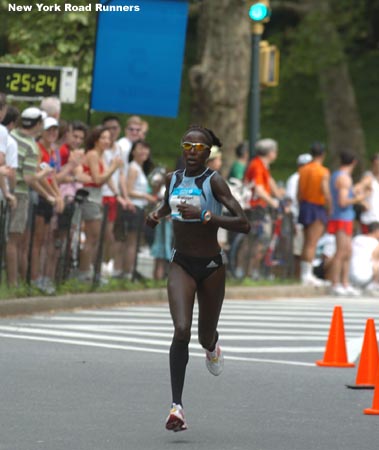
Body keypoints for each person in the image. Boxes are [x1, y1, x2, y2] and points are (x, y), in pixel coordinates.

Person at [146, 125, 250, 432]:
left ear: (208, 153)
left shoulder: (214, 181)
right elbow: (167, 205)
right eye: (187, 146)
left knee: (204, 335)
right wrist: (155, 215)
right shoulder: (173, 179)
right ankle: (176, 407)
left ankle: (213, 346)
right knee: (181, 330)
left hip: (212, 267)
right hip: (181, 263)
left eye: (198, 148)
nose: (191, 153)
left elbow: (243, 223)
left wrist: (211, 218)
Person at [78, 126, 123, 280]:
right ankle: (84, 272)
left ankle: (90, 270)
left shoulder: (101, 155)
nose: (106, 141)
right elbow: (98, 179)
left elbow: (107, 179)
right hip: (90, 195)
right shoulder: (92, 155)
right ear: (95, 139)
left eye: (108, 138)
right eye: (102, 138)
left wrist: (118, 194)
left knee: (95, 237)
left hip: (97, 196)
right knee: (93, 236)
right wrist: (113, 168)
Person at [115, 140, 156, 279]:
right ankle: (127, 271)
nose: (144, 152)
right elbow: (129, 189)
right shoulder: (133, 168)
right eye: (140, 149)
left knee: (133, 242)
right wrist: (145, 195)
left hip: (139, 206)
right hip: (134, 206)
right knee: (131, 242)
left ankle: (128, 270)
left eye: (146, 149)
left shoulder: (139, 168)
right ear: (133, 152)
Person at [327, 150, 365, 296]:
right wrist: (360, 198)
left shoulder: (338, 175)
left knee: (348, 251)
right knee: (341, 251)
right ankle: (336, 283)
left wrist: (355, 192)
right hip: (342, 217)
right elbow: (342, 201)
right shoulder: (344, 178)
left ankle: (345, 282)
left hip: (344, 217)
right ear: (354, 162)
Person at [297, 142, 331, 286]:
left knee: (306, 242)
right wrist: (330, 207)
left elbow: (298, 192)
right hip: (316, 206)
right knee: (312, 243)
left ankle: (305, 274)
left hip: (304, 205)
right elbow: (325, 190)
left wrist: (301, 204)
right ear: (323, 154)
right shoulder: (323, 171)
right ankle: (307, 275)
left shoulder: (303, 169)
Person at [285, 153, 312, 278]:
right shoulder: (295, 178)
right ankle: (296, 275)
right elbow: (290, 201)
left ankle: (304, 274)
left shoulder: (306, 177)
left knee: (305, 247)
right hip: (297, 218)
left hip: (306, 217)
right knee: (297, 250)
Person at [350, 222, 379, 292]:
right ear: (377, 231)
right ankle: (375, 284)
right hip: (365, 278)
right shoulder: (376, 243)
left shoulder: (356, 238)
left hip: (350, 277)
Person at [359, 154, 379, 233]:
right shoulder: (368, 177)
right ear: (374, 163)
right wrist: (363, 203)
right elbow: (356, 191)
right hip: (370, 220)